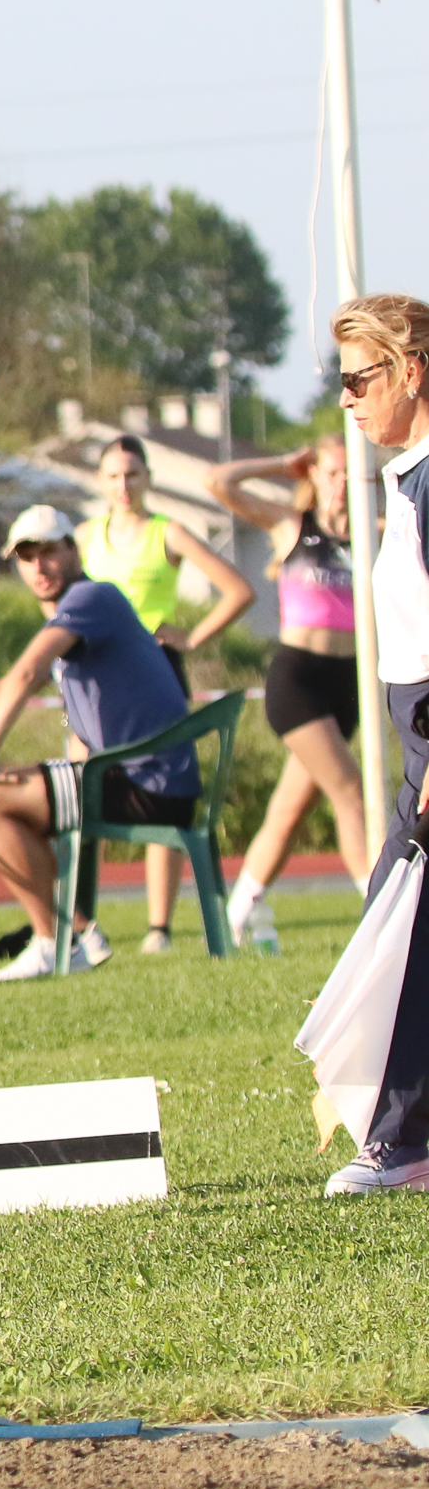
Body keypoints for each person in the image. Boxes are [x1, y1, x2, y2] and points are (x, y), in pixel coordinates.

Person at [0, 504, 201, 981]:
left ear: (73, 550)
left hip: (145, 784)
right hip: (132, 778)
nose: (38, 566)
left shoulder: (92, 597)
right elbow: (3, 687)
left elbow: (27, 673)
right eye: (26, 557)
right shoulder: (79, 613)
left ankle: (56, 941)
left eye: (48, 551)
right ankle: (75, 931)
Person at [322, 294, 429, 1193]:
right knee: (395, 922)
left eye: (360, 380)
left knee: (402, 932)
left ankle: (399, 1139)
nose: (347, 399)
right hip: (414, 735)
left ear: (412, 372)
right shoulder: (407, 481)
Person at [74, 436, 253, 953]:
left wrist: (191, 638)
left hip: (156, 676)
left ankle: (160, 929)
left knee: (163, 793)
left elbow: (239, 590)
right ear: (100, 481)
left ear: (148, 477)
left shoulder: (167, 532)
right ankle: (79, 925)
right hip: (96, 682)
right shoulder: (84, 537)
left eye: (132, 474)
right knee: (80, 790)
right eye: (113, 475)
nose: (123, 485)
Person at [207, 434, 371, 947]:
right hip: (298, 680)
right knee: (351, 791)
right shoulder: (292, 526)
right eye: (332, 472)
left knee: (289, 812)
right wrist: (283, 463)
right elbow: (218, 482)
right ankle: (378, 911)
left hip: (349, 684)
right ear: (314, 476)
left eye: (350, 473)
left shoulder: (371, 532)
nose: (342, 483)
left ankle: (238, 914)